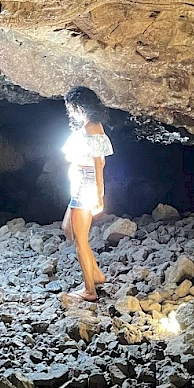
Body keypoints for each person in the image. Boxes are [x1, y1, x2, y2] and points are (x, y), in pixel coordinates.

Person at [61, 86, 114, 301]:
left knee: (80, 241)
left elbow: (99, 162)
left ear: (79, 107)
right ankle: (97, 274)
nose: (70, 112)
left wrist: (99, 196)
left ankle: (89, 290)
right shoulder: (89, 125)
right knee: (68, 229)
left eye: (71, 107)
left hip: (85, 187)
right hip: (80, 186)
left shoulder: (92, 127)